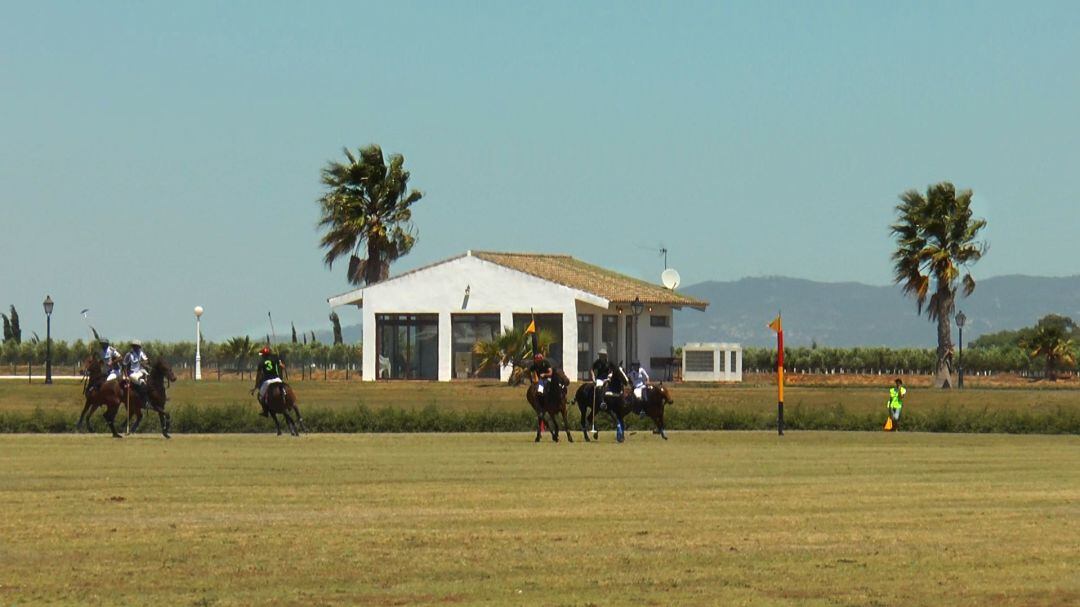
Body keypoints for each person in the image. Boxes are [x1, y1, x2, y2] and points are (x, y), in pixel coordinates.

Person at [253, 346, 286, 417]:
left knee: (260, 396)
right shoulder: (275, 359)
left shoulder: (261, 362)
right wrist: (280, 362)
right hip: (277, 379)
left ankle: (265, 411)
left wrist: (256, 385)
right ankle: (284, 395)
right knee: (284, 390)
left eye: (262, 355)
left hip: (268, 381)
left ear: (264, 355)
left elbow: (258, 375)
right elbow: (283, 367)